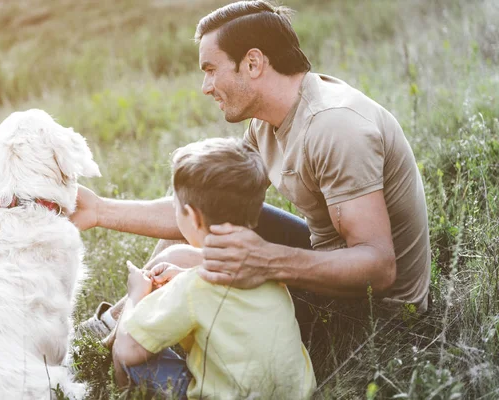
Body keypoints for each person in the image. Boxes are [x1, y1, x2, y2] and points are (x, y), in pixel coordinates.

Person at [72, 0, 431, 357]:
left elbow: (380, 268)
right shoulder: (266, 121)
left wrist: (266, 261)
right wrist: (100, 210)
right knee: (202, 220)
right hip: (326, 265)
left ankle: (118, 346)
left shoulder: (335, 127)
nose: (205, 86)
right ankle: (108, 330)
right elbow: (200, 206)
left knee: (186, 263)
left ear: (254, 63)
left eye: (211, 69)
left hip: (374, 316)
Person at [111, 137, 316, 399]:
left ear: (193, 217)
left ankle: (119, 393)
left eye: (175, 206)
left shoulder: (192, 289)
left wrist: (135, 295)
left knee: (131, 358)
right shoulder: (270, 269)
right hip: (299, 394)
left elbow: (128, 350)